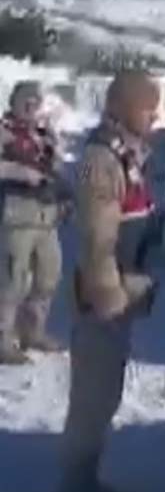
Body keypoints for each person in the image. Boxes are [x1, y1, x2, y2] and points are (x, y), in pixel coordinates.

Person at [49, 70, 162, 492]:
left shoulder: (128, 154)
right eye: (146, 109)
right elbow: (97, 241)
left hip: (120, 293)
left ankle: (87, 482)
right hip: (102, 302)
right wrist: (113, 299)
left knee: (105, 396)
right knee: (91, 401)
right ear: (122, 107)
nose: (153, 118)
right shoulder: (102, 160)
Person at [0, 81, 71, 363]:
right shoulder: (4, 132)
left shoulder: (43, 134)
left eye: (35, 102)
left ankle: (32, 330)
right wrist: (21, 173)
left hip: (46, 215)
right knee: (13, 280)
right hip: (16, 214)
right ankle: (3, 339)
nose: (30, 107)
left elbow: (58, 169)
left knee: (48, 276)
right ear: (14, 103)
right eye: (25, 101)